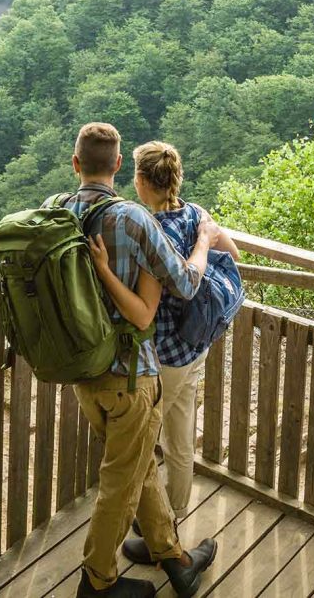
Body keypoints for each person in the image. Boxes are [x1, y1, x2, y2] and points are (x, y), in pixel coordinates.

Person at [63, 123, 220, 598]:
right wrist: (204, 242)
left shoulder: (60, 211)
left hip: (82, 371)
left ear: (76, 164)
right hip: (130, 375)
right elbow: (188, 284)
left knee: (136, 467)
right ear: (116, 166)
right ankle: (97, 582)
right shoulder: (134, 219)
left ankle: (174, 558)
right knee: (119, 480)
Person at [87, 141, 239, 564]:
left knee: (142, 446)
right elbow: (236, 255)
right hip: (197, 346)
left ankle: (161, 538)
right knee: (179, 441)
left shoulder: (148, 229)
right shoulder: (196, 215)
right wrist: (205, 240)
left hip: (165, 356)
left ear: (138, 180)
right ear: (176, 178)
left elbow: (147, 302)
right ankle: (172, 524)